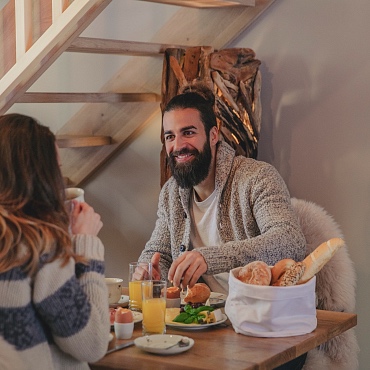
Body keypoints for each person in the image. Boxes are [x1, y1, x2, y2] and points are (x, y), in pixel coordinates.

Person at [139, 83, 306, 291]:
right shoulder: (171, 193)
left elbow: (290, 242)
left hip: (258, 314)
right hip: (201, 317)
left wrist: (211, 258)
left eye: (188, 133)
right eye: (170, 136)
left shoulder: (257, 177)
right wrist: (149, 271)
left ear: (213, 135)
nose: (178, 145)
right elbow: (159, 253)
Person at [0, 114, 110, 369]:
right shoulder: (37, 246)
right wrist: (85, 241)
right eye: (57, 169)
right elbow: (92, 343)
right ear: (40, 174)